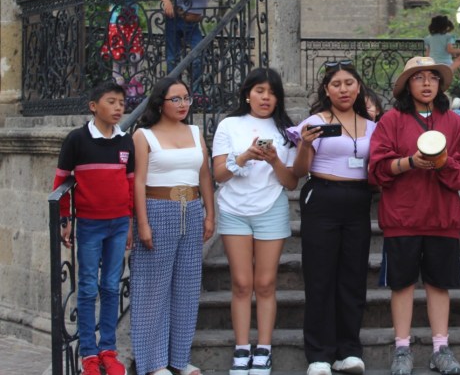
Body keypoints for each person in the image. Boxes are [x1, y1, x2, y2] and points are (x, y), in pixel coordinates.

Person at [368, 56, 460, 375]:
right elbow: (376, 168)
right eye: (419, 77)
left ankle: (440, 348)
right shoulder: (391, 120)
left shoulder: (454, 122)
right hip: (402, 216)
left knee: (438, 284)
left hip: (442, 217)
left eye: (433, 77)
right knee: (401, 284)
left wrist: (444, 163)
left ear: (440, 84)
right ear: (407, 85)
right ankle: (402, 348)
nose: (427, 82)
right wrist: (410, 163)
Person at [288, 61, 377, 375]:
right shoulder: (316, 122)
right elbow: (299, 171)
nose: (343, 90)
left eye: (349, 83)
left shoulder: (371, 125)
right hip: (322, 198)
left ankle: (348, 350)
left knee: (353, 277)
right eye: (336, 84)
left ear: (358, 87)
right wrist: (305, 143)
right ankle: (319, 354)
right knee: (320, 277)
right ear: (326, 90)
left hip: (358, 201)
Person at [212, 68, 299, 375]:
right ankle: (241, 348)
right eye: (260, 91)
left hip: (270, 207)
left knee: (265, 283)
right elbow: (218, 174)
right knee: (241, 283)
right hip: (234, 209)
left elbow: (291, 183)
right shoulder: (229, 125)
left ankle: (263, 349)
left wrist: (274, 159)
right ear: (247, 94)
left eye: (272, 92)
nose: (266, 97)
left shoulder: (287, 130)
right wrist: (245, 156)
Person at [130, 77, 215, 375]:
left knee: (187, 287)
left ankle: (179, 358)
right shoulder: (144, 135)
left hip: (191, 208)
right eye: (175, 99)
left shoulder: (195, 132)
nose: (182, 104)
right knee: (153, 287)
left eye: (186, 98)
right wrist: (142, 223)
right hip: (157, 208)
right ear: (160, 102)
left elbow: (204, 175)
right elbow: (138, 181)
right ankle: (153, 362)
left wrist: (210, 214)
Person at [52, 82, 135, 375]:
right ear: (93, 106)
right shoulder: (77, 140)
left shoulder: (125, 141)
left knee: (111, 286)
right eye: (111, 102)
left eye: (121, 103)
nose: (118, 108)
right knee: (88, 287)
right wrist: (65, 219)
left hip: (118, 224)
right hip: (89, 225)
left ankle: (108, 350)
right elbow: (61, 180)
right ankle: (88, 353)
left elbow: (130, 184)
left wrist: (130, 222)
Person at [150, 0, 219, 90]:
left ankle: (196, 92)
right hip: (174, 20)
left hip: (192, 25)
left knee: (198, 56)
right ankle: (173, 89)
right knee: (172, 58)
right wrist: (166, 0)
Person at [85, 0, 144, 96]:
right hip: (115, 27)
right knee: (118, 58)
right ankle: (118, 85)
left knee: (135, 57)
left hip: (131, 26)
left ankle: (136, 85)